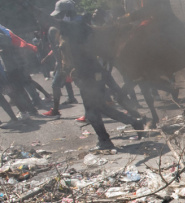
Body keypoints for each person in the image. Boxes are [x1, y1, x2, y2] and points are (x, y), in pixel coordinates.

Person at [49, 0, 145, 150]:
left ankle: (106, 140)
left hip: (88, 74)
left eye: (60, 15)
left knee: (92, 111)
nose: (58, 18)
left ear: (67, 13)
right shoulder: (79, 26)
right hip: (91, 73)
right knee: (99, 108)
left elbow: (80, 54)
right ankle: (133, 123)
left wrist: (74, 70)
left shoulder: (76, 28)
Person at [41, 26, 78, 119]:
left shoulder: (56, 35)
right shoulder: (58, 37)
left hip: (66, 65)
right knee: (77, 84)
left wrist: (60, 66)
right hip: (65, 65)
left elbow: (63, 53)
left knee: (56, 85)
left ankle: (56, 110)